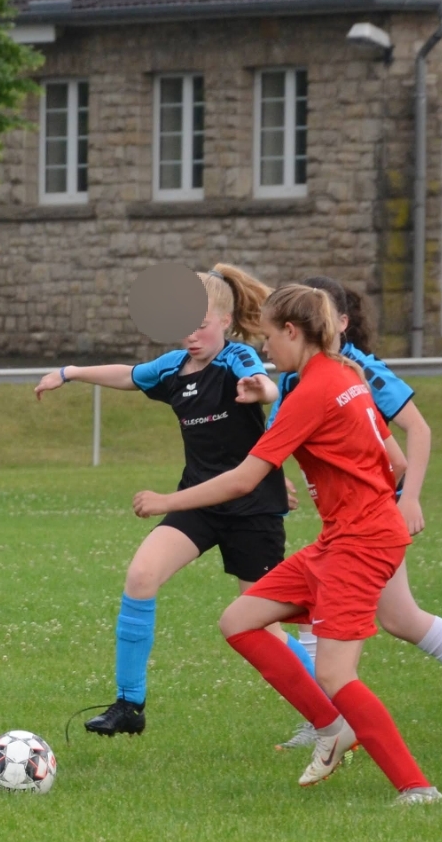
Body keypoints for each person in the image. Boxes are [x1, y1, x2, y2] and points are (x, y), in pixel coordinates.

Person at [133, 284, 442, 805]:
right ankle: (333, 728)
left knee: (335, 673)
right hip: (344, 537)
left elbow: (242, 480)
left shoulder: (311, 392)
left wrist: (167, 500)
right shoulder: (347, 374)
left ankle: (416, 788)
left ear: (293, 332)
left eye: (269, 336)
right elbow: (397, 463)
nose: (266, 348)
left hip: (360, 543)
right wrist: (348, 485)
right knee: (239, 620)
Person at [266, 277, 442, 749]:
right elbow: (282, 436)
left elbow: (418, 429)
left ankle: (327, 723)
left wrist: (408, 497)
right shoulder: (297, 376)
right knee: (400, 617)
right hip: (345, 519)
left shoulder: (360, 369)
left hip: (369, 519)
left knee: (325, 605)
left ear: (340, 322)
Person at [35, 264, 300, 736]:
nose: (191, 335)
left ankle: (331, 708)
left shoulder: (236, 358)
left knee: (265, 626)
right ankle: (129, 705)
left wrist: (261, 388)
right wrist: (67, 373)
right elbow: (128, 375)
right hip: (197, 501)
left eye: (201, 324)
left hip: (252, 508)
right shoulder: (173, 368)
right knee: (141, 575)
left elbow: (264, 382)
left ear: (225, 320)